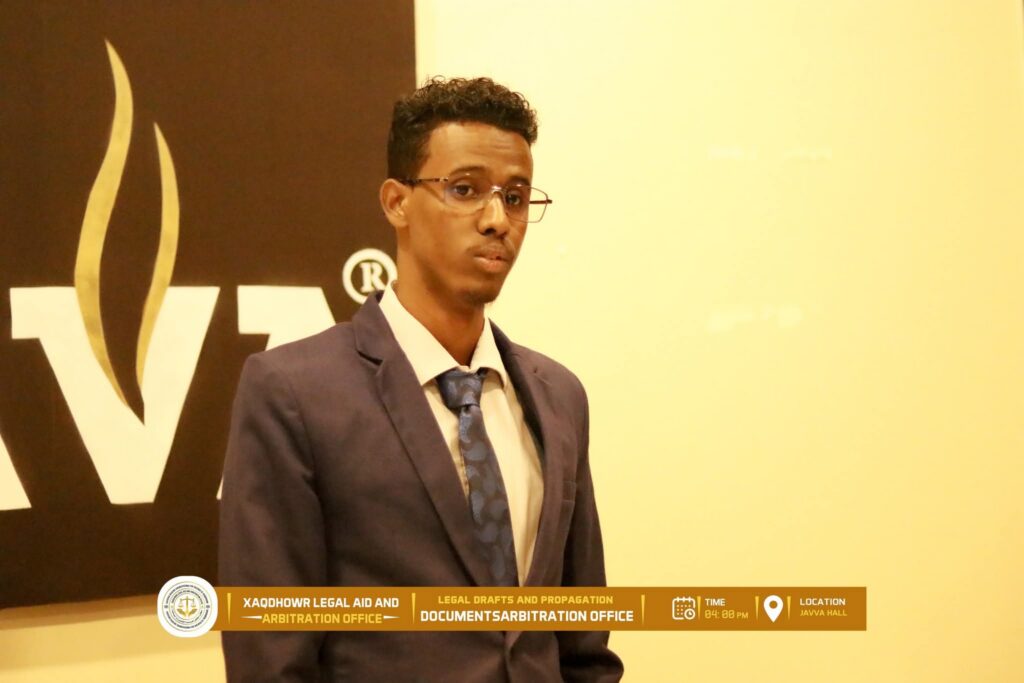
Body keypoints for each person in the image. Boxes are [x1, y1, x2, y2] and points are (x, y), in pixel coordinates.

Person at [219, 77, 623, 682]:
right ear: (396, 202)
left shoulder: (558, 395)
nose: (497, 219)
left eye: (516, 197)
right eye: (465, 189)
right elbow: (270, 657)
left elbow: (583, 641)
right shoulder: (293, 392)